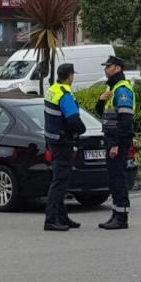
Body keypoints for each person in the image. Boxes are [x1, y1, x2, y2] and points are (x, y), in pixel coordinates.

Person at [43, 64, 86, 232]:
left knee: (59, 180)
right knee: (60, 183)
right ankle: (51, 219)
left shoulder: (52, 90)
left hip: (53, 142)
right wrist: (82, 130)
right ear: (69, 76)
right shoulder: (65, 95)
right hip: (63, 143)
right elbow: (73, 119)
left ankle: (62, 217)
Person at [95, 55, 135, 230]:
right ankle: (115, 214)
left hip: (118, 141)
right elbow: (102, 114)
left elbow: (126, 121)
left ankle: (122, 217)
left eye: (109, 66)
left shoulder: (122, 90)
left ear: (117, 68)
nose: (106, 69)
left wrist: (117, 144)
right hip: (111, 140)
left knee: (118, 179)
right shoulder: (111, 89)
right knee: (113, 179)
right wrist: (100, 100)